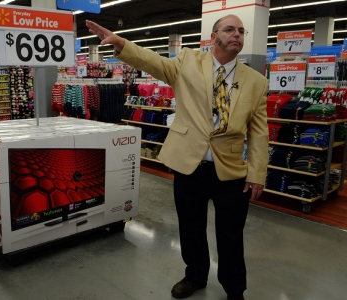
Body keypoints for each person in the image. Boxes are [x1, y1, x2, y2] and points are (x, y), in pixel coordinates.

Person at [86, 14, 268, 300]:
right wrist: (121, 43)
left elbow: (258, 132)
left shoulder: (256, 82)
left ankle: (235, 289)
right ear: (213, 37)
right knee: (191, 227)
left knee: (231, 235)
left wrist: (257, 173)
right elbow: (152, 61)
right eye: (230, 29)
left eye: (242, 31)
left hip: (231, 169)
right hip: (189, 164)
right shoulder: (188, 62)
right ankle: (195, 275)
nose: (237, 34)